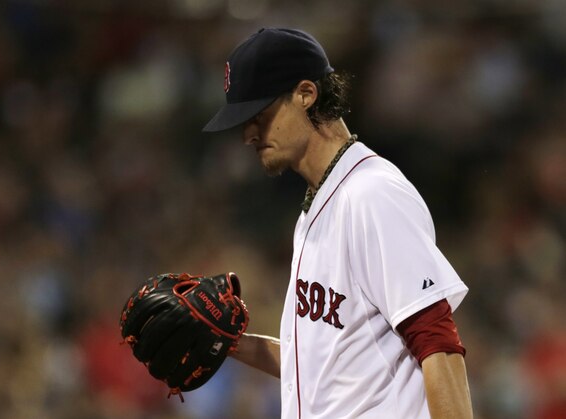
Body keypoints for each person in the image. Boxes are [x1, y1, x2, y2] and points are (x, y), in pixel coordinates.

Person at [203, 27, 473, 419]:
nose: (248, 133)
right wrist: (230, 343)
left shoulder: (370, 193)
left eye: (258, 114)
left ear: (306, 94)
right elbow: (321, 368)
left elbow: (438, 345)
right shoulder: (319, 206)